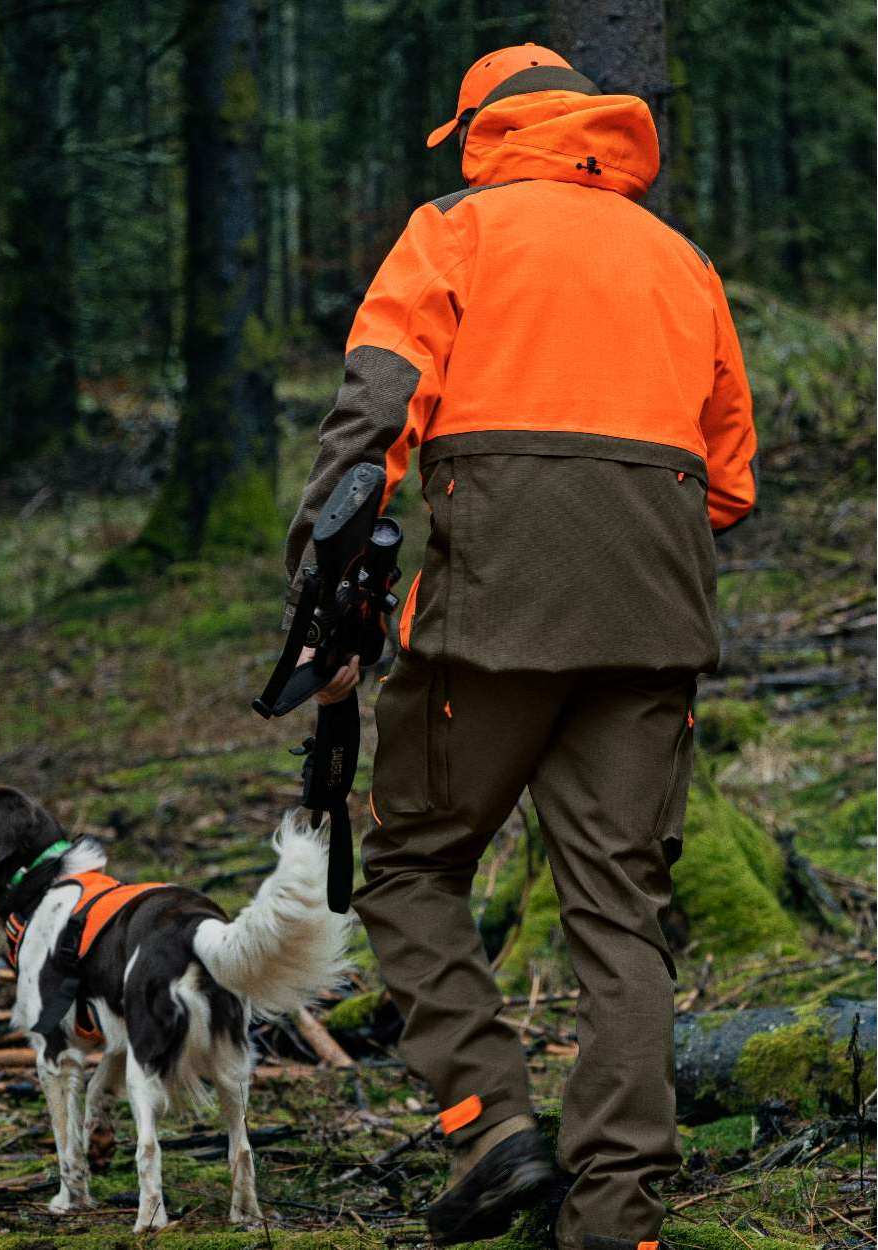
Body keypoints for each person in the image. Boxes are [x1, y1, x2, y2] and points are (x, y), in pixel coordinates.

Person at [283, 42, 757, 1250]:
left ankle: (492, 1124)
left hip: (486, 619)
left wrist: (323, 593)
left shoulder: (455, 229)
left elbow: (374, 414)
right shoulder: (683, 261)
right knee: (619, 918)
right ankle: (616, 1221)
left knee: (406, 867)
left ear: (481, 131)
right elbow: (730, 481)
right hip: (653, 624)